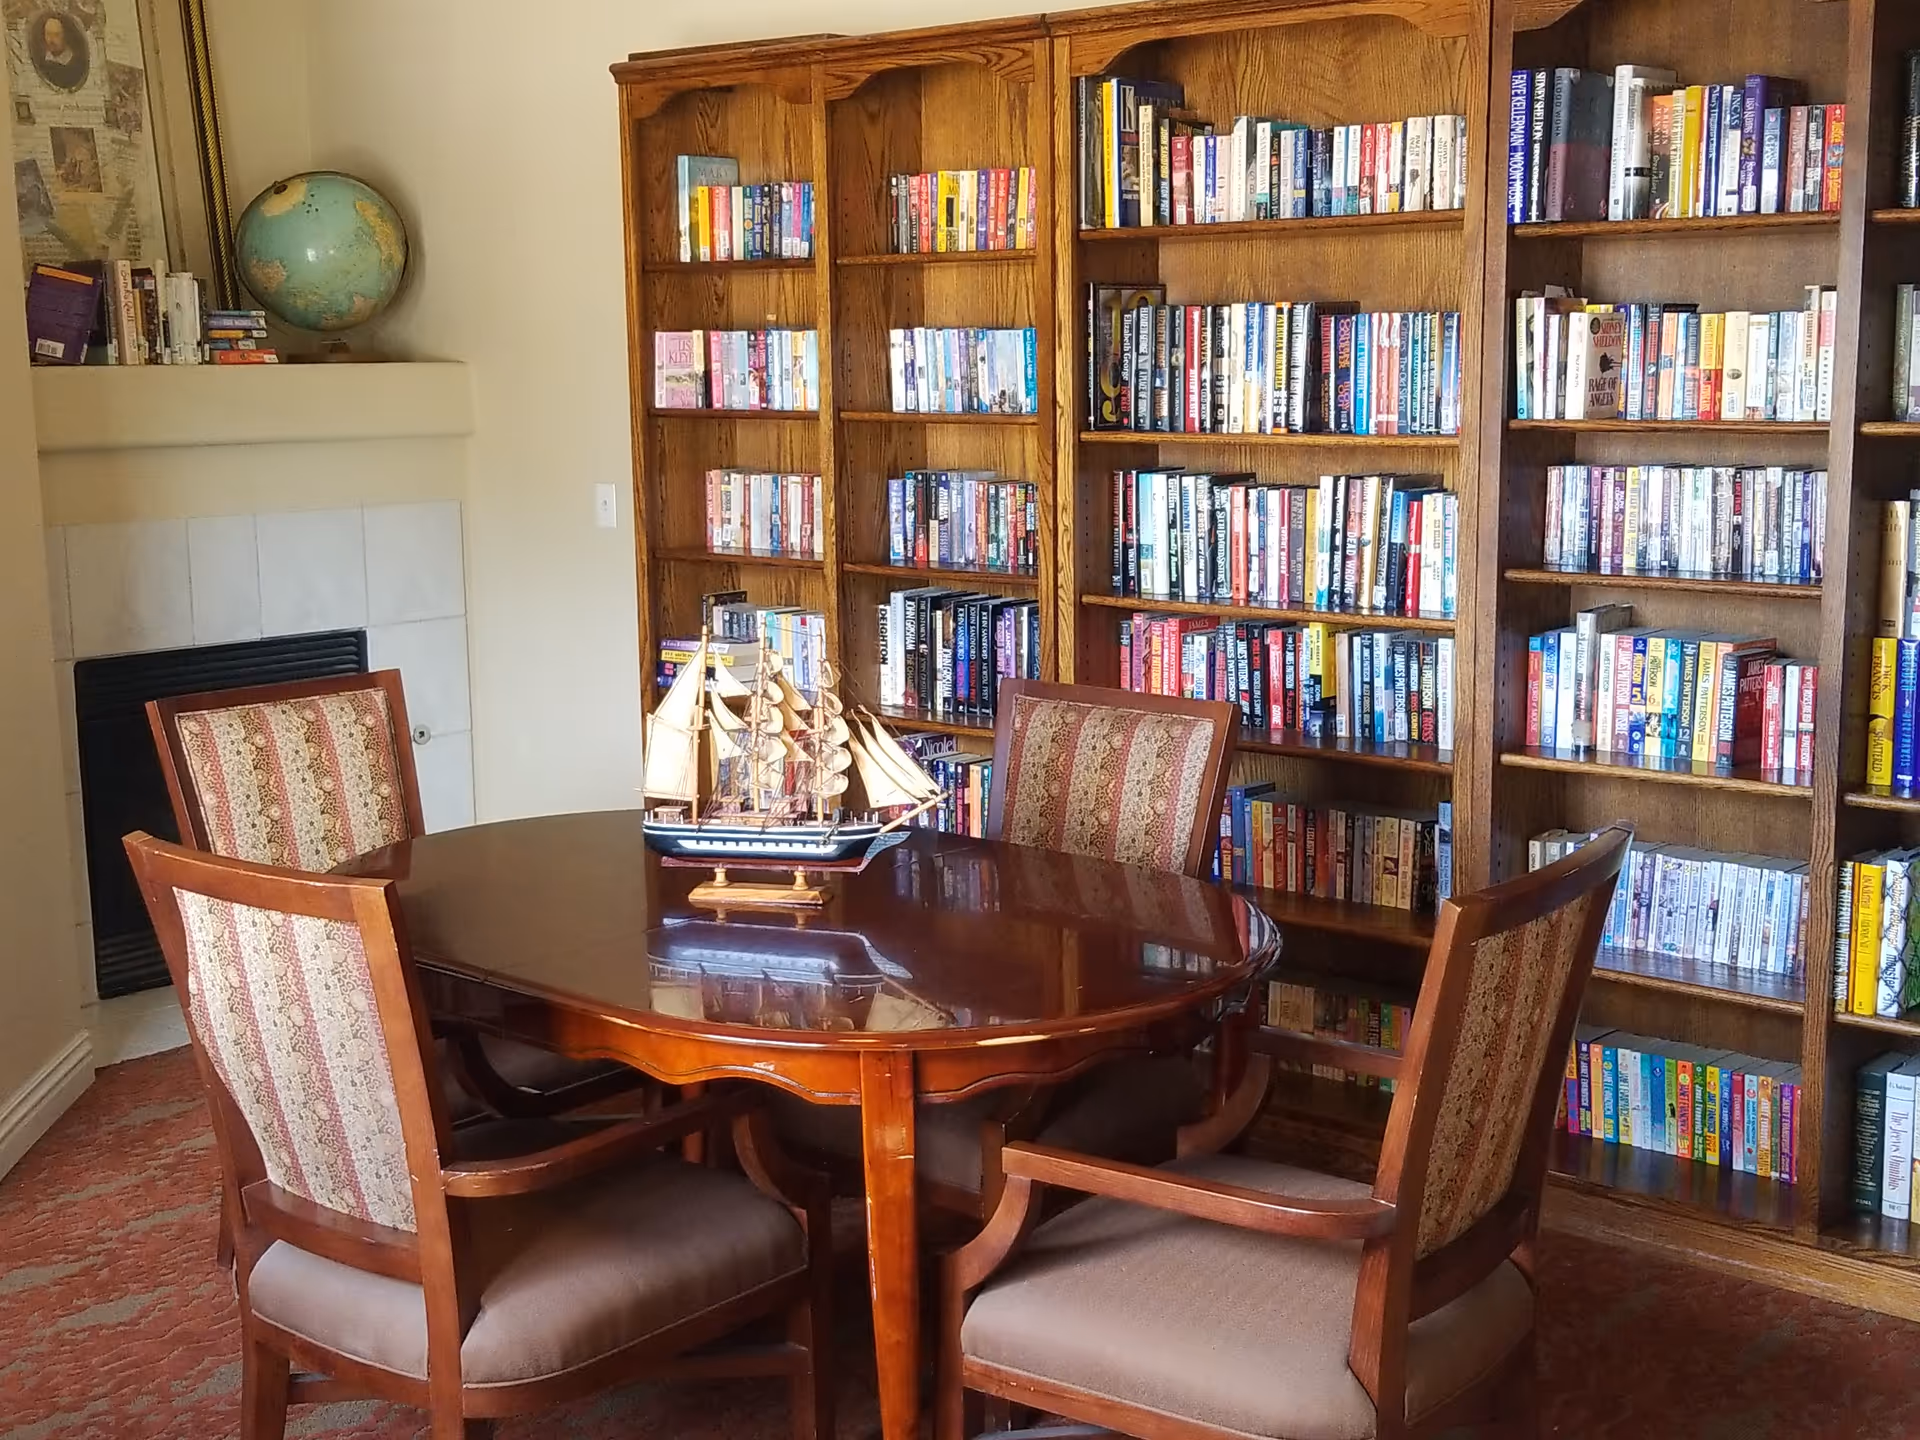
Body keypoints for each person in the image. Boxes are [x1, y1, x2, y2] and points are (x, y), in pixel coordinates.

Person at [32, 14, 89, 92]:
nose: (51, 40)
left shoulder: (78, 63)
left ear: (65, 36)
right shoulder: (41, 62)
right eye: (48, 34)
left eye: (56, 35)